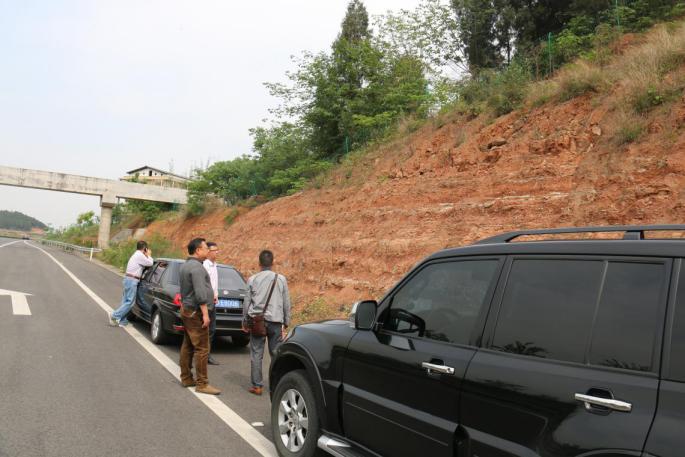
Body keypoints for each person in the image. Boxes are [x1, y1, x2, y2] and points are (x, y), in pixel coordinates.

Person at [243, 249, 291, 396]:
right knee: (276, 354)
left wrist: (245, 321)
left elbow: (247, 302)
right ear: (273, 263)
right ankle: (276, 385)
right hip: (275, 321)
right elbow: (286, 302)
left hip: (257, 321)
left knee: (256, 353)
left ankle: (257, 386)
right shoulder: (281, 279)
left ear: (259, 263)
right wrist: (287, 321)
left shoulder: (252, 279)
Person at [179, 237, 221, 395]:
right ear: (198, 250)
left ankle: (186, 378)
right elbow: (200, 293)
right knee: (202, 348)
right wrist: (205, 314)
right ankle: (202, 384)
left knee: (188, 345)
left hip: (187, 309)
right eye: (205, 248)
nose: (208, 250)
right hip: (196, 312)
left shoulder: (186, 265)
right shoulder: (197, 268)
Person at [109, 241, 153, 327]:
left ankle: (122, 321)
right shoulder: (140, 255)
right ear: (145, 249)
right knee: (130, 302)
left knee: (125, 301)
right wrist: (149, 255)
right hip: (132, 280)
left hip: (129, 279)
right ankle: (114, 315)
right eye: (146, 249)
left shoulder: (136, 254)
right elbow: (150, 263)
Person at [203, 241, 220, 365]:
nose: (217, 252)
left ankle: (207, 355)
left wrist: (216, 294)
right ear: (208, 251)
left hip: (212, 301)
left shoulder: (215, 265)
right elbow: (203, 285)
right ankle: (201, 355)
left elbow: (214, 283)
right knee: (204, 329)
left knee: (212, 329)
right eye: (215, 250)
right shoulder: (205, 265)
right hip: (205, 302)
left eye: (217, 250)